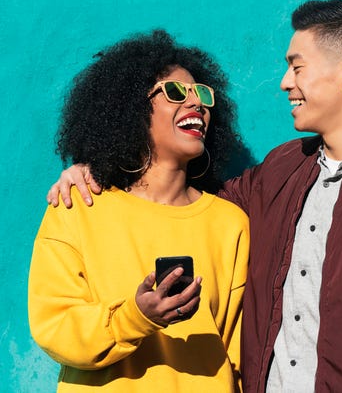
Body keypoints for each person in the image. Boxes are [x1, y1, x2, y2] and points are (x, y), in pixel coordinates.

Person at [48, 0, 342, 392]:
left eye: (297, 67)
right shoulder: (281, 169)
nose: (286, 83)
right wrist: (99, 167)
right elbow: (185, 203)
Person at [30, 30, 249, 392]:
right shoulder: (78, 206)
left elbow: (238, 353)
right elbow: (54, 327)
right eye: (175, 92)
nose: (197, 104)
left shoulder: (230, 224)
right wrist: (136, 317)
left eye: (203, 95)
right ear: (129, 107)